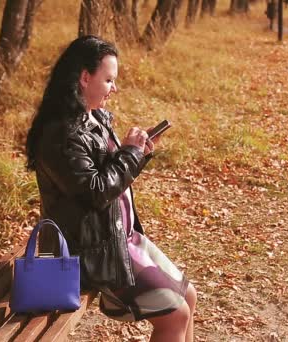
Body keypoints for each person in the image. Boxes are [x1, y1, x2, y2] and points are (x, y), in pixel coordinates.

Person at [25, 35, 196, 342]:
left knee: (189, 295)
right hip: (90, 253)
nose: (114, 88)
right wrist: (129, 154)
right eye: (108, 80)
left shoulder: (94, 119)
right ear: (84, 77)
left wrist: (137, 154)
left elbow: (110, 177)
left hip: (117, 237)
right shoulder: (61, 135)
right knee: (176, 314)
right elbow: (94, 192)